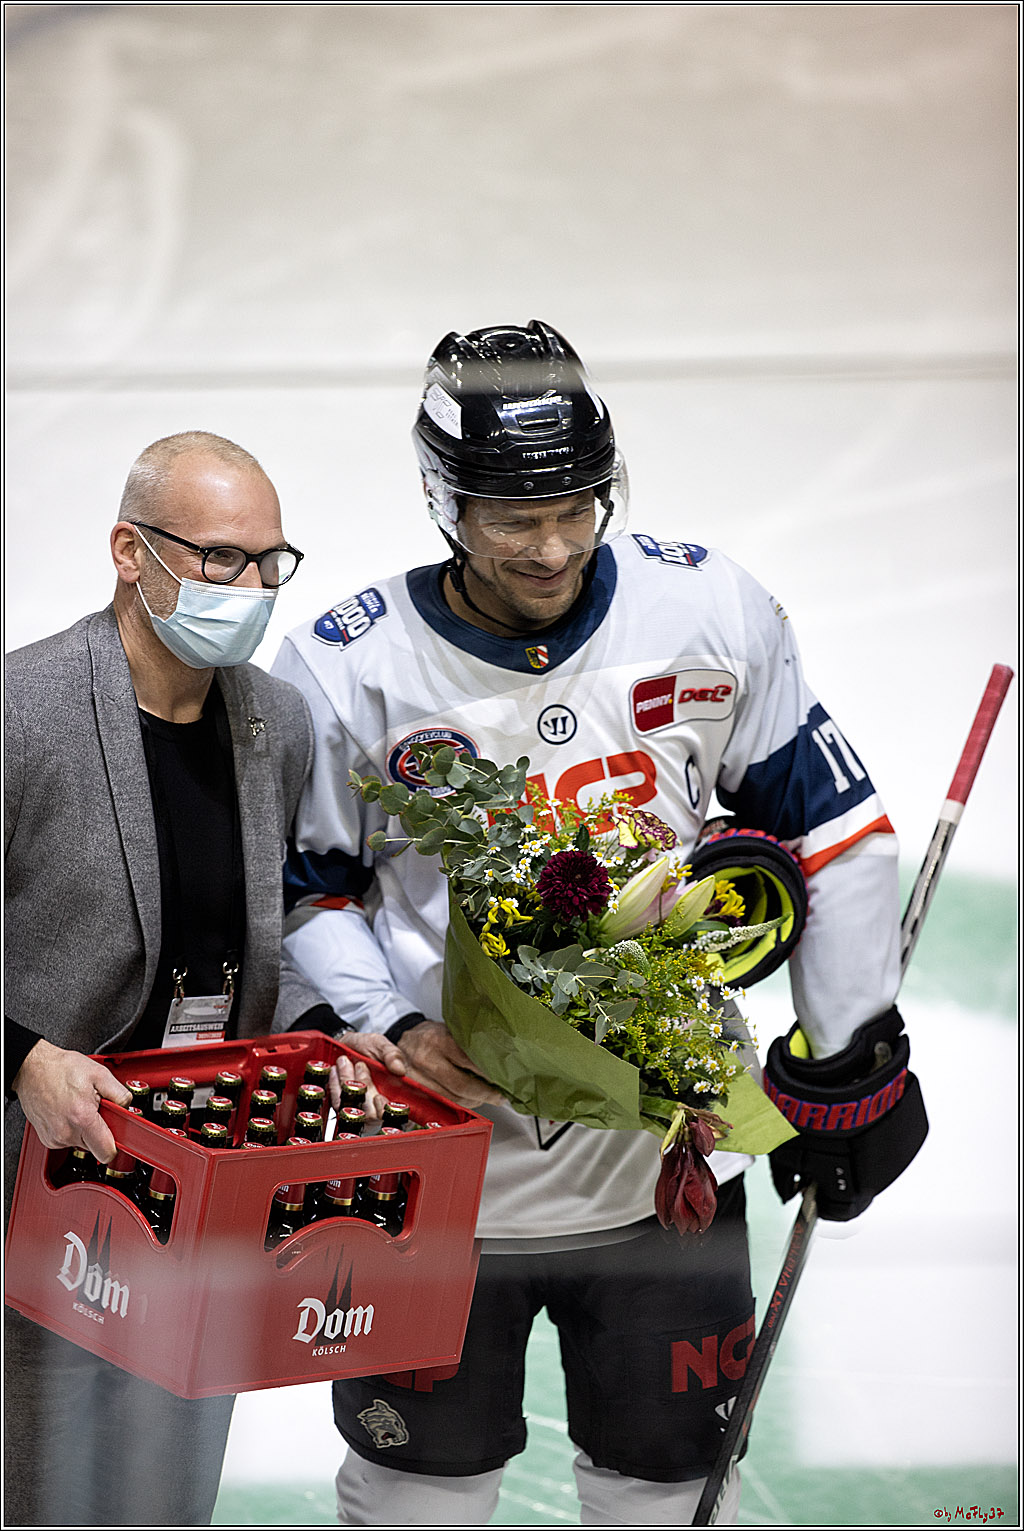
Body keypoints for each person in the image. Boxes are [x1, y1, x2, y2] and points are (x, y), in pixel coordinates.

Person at [272, 323, 927, 1524]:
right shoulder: (341, 663)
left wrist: (848, 1055)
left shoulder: (708, 606)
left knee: (667, 1494)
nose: (555, 543)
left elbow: (838, 833)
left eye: (579, 505)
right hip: (434, 1166)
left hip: (665, 1168)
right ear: (440, 499)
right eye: (514, 517)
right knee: (415, 1496)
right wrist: (389, 1029)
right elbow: (302, 892)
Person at [3, 430, 403, 1528]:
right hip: (34, 1170)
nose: (250, 588)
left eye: (270, 563)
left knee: (166, 1481)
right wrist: (23, 1059)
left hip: (201, 1168)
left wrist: (333, 1040)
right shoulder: (18, 711)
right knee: (35, 1482)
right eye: (221, 558)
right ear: (131, 551)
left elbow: (266, 923)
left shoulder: (275, 721)